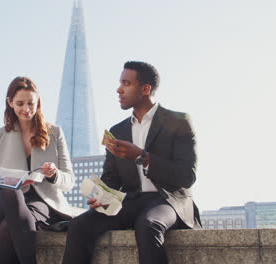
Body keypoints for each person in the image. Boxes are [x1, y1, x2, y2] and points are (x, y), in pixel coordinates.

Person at [62, 61, 201, 264]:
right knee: (78, 225)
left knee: (148, 224)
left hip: (169, 200)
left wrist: (142, 157)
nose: (119, 89)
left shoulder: (179, 122)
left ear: (145, 89)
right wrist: (101, 196)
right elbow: (111, 178)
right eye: (120, 83)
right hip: (132, 201)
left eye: (126, 83)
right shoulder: (117, 131)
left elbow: (187, 176)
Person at [0, 76, 76, 264]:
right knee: (12, 192)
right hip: (3, 202)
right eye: (20, 103)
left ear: (38, 102)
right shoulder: (0, 135)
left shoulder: (54, 132)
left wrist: (54, 174)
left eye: (31, 103)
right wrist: (11, 181)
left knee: (8, 228)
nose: (26, 109)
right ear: (10, 103)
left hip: (40, 203)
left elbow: (69, 181)